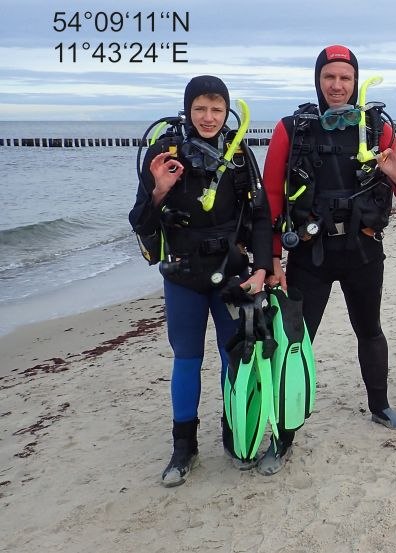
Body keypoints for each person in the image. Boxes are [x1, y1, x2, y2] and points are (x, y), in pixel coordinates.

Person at [262, 45, 396, 474]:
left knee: (370, 330)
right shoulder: (292, 129)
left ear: (356, 82)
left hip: (363, 251)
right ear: (318, 80)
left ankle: (380, 406)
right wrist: (273, 259)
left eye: (345, 78)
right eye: (329, 77)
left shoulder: (377, 129)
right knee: (295, 343)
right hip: (309, 256)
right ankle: (284, 434)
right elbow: (271, 197)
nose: (337, 86)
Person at [129, 75, 273, 486]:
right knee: (187, 358)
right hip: (184, 275)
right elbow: (140, 221)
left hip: (231, 274)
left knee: (234, 357)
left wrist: (261, 268)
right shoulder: (164, 153)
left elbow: (260, 216)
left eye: (216, 109)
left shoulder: (240, 155)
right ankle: (184, 446)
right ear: (187, 109)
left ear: (227, 112)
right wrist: (159, 190)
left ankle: (233, 430)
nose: (208, 117)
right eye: (200, 109)